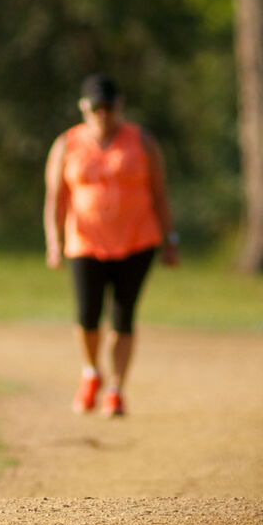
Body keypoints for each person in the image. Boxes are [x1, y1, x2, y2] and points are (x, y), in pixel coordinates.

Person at [42, 74, 178, 417]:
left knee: (123, 315)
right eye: (95, 107)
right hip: (84, 241)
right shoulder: (66, 144)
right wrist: (54, 242)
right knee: (87, 316)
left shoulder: (142, 141)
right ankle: (91, 372)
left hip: (137, 240)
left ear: (120, 106)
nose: (102, 114)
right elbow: (55, 199)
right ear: (84, 108)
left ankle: (116, 389)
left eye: (109, 106)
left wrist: (169, 239)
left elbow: (159, 194)